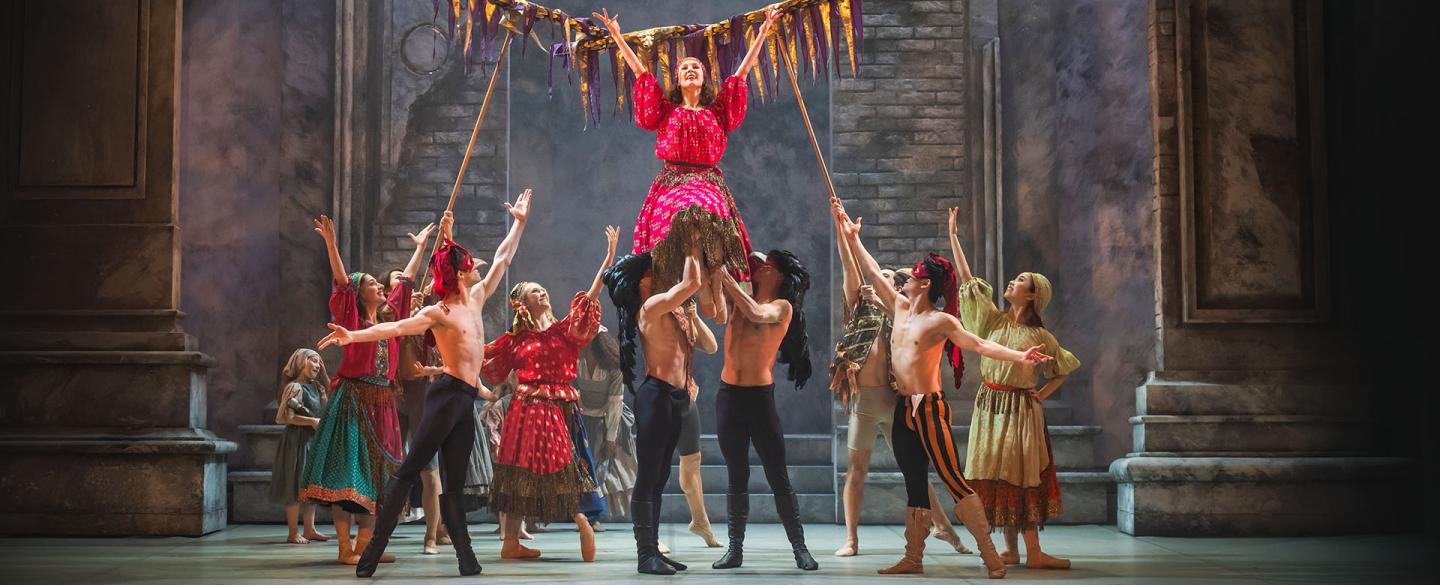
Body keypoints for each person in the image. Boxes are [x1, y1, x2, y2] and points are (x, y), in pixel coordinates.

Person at [319, 189, 533, 577]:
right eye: (472, 265)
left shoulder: (477, 298)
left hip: (465, 400)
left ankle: (466, 559)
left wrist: (518, 223)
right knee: (410, 469)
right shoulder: (440, 311)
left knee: (453, 482)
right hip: (446, 395)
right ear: (462, 272)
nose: (480, 269)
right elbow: (397, 326)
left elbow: (504, 257)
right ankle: (369, 557)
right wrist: (353, 336)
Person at [837, 207, 1050, 579]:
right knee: (914, 481)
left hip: (929, 408)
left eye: (914, 275)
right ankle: (913, 557)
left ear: (925, 285)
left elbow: (980, 344)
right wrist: (852, 238)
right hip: (904, 407)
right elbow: (871, 271)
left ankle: (991, 557)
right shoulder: (900, 307)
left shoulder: (941, 321)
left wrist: (1020, 354)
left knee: (953, 479)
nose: (905, 279)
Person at [590, 7, 781, 323]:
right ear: (677, 80)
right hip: (674, 180)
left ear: (704, 77)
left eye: (696, 67)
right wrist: (616, 36)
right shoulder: (666, 111)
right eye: (684, 68)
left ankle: (712, 283)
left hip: (707, 181)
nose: (691, 69)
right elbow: (641, 74)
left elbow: (742, 74)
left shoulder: (717, 112)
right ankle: (699, 285)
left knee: (704, 216)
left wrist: (762, 33)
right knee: (688, 215)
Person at [827, 200, 970, 558]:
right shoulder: (858, 309)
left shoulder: (901, 316)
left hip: (893, 402)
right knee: (855, 469)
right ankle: (851, 539)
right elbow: (851, 268)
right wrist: (841, 230)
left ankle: (944, 528)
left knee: (914, 468)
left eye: (893, 279)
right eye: (882, 277)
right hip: (864, 402)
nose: (884, 280)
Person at [949, 207, 1080, 570]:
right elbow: (968, 279)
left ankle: (1034, 550)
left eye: (1020, 280)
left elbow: (1062, 369)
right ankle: (1010, 550)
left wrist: (1040, 395)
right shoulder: (993, 320)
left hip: (1020, 411)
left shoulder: (1040, 335)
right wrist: (955, 239)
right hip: (990, 405)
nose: (1011, 282)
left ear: (1033, 295)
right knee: (996, 471)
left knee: (1020, 472)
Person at [298, 214, 431, 565]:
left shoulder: (389, 323)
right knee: (349, 473)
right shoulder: (351, 319)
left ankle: (365, 546)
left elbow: (406, 282)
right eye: (373, 284)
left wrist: (420, 249)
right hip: (354, 400)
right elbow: (342, 281)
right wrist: (330, 243)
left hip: (384, 401)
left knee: (378, 476)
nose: (381, 287)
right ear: (359, 294)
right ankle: (345, 548)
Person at [482, 226, 620, 562]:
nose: (542, 292)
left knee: (563, 464)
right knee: (522, 474)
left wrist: (608, 258)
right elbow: (479, 355)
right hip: (528, 410)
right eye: (534, 291)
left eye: (543, 289)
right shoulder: (516, 340)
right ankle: (512, 542)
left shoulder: (565, 333)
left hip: (562, 410)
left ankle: (582, 520)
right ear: (521, 303)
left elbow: (589, 298)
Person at [605, 250, 716, 575]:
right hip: (657, 396)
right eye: (656, 272)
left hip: (678, 397)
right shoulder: (651, 306)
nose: (662, 275)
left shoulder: (673, 311)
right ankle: (645, 556)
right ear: (643, 282)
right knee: (649, 478)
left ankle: (653, 550)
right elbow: (692, 281)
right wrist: (693, 245)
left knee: (660, 478)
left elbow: (708, 344)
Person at [708, 251, 818, 571]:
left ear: (779, 276)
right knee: (736, 475)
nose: (759, 265)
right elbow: (713, 299)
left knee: (777, 475)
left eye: (766, 264)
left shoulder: (780, 308)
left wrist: (725, 276)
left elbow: (756, 313)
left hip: (759, 400)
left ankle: (800, 549)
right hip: (729, 397)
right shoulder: (738, 298)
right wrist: (711, 262)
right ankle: (734, 549)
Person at [575, 334, 639, 532]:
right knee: (582, 466)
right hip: (581, 417)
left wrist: (610, 437)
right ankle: (582, 514)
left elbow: (615, 402)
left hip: (606, 419)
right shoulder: (577, 360)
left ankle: (594, 516)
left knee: (601, 468)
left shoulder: (613, 366)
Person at [269, 348, 330, 545]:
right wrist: (312, 421)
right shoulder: (294, 387)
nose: (318, 365)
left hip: (313, 440)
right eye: (313, 360)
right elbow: (288, 417)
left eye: (319, 362)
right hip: (296, 440)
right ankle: (293, 532)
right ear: (302, 362)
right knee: (294, 483)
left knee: (310, 485)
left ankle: (310, 529)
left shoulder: (318, 388)